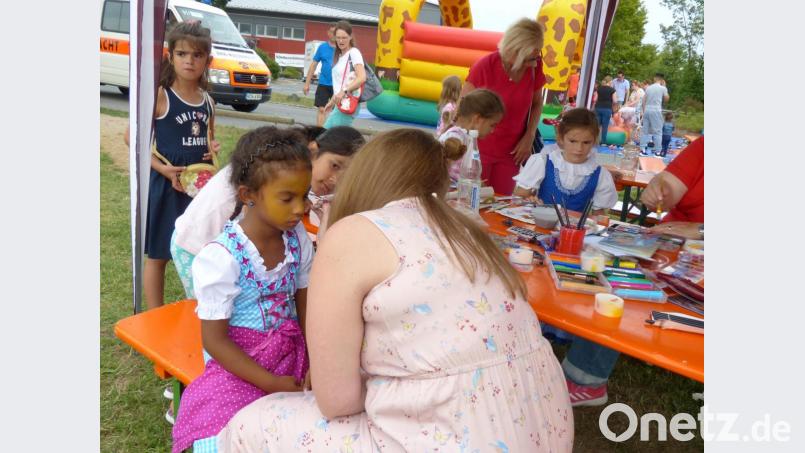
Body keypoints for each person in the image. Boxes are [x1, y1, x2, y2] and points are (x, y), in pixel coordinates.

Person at [217, 128, 574, 452]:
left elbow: (337, 401)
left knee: (250, 426)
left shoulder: (354, 233)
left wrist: (329, 241)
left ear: (364, 175)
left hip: (456, 436)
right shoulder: (469, 233)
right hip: (545, 422)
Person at [171, 127, 315, 453]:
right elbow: (215, 341)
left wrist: (316, 361)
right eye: (287, 197)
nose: (300, 208)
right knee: (215, 434)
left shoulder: (298, 240)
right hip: (239, 362)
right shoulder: (221, 258)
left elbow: (305, 306)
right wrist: (269, 383)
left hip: (293, 353)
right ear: (248, 194)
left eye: (304, 195)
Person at [171, 125, 363, 299]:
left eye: (347, 175)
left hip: (228, 249)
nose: (336, 179)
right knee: (211, 311)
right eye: (335, 165)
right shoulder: (271, 168)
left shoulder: (287, 171)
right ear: (313, 150)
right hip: (194, 244)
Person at [125, 22, 220, 310]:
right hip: (166, 185)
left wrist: (211, 149)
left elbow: (209, 138)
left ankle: (202, 310)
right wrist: (162, 169)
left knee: (199, 250)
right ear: (170, 56)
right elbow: (133, 138)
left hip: (197, 188)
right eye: (182, 54)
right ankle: (154, 316)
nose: (189, 61)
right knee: (159, 254)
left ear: (208, 60)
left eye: (197, 55)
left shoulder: (208, 101)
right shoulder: (161, 96)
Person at [460, 18, 547, 195]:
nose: (535, 63)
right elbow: (463, 110)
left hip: (512, 152)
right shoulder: (484, 66)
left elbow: (537, 103)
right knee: (474, 202)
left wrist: (529, 136)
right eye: (530, 58)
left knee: (499, 205)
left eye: (537, 57)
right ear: (514, 52)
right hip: (478, 151)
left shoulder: (534, 68)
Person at [512, 108, 618, 213]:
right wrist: (530, 200)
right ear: (561, 138)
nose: (579, 148)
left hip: (574, 229)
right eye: (573, 141)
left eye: (586, 142)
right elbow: (519, 197)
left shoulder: (600, 175)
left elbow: (598, 215)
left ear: (594, 141)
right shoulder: (543, 162)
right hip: (539, 226)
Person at [641, 136, 704, 237]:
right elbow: (672, 183)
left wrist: (701, 231)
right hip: (669, 236)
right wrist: (660, 191)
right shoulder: (702, 145)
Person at [437, 88, 504, 183]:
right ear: (477, 119)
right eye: (492, 125)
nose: (492, 130)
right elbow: (449, 177)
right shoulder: (456, 138)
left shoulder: (467, 138)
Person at [323, 20, 366, 128]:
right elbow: (340, 84)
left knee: (326, 138)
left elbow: (362, 77)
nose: (341, 41)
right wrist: (332, 101)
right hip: (340, 104)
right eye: (338, 37)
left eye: (344, 37)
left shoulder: (354, 53)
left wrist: (344, 92)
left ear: (351, 37)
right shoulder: (341, 56)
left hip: (348, 103)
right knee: (329, 138)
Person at [304, 24, 336, 127]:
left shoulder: (342, 49)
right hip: (323, 84)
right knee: (322, 109)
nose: (333, 34)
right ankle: (320, 134)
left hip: (337, 86)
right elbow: (313, 66)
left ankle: (332, 135)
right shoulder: (322, 47)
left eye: (336, 32)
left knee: (335, 112)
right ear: (328, 33)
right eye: (332, 32)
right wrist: (307, 84)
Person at [641, 73, 670, 154]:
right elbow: (666, 99)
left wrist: (644, 111)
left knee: (645, 131)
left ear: (654, 79)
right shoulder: (662, 88)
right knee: (657, 132)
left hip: (647, 109)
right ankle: (658, 151)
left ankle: (642, 149)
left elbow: (644, 100)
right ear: (662, 80)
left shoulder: (648, 88)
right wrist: (665, 87)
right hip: (656, 110)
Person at [593, 76, 617, 144]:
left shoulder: (599, 89)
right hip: (607, 109)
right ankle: (603, 142)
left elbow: (595, 99)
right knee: (605, 126)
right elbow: (615, 101)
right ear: (610, 82)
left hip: (598, 108)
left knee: (597, 126)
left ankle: (594, 141)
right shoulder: (612, 90)